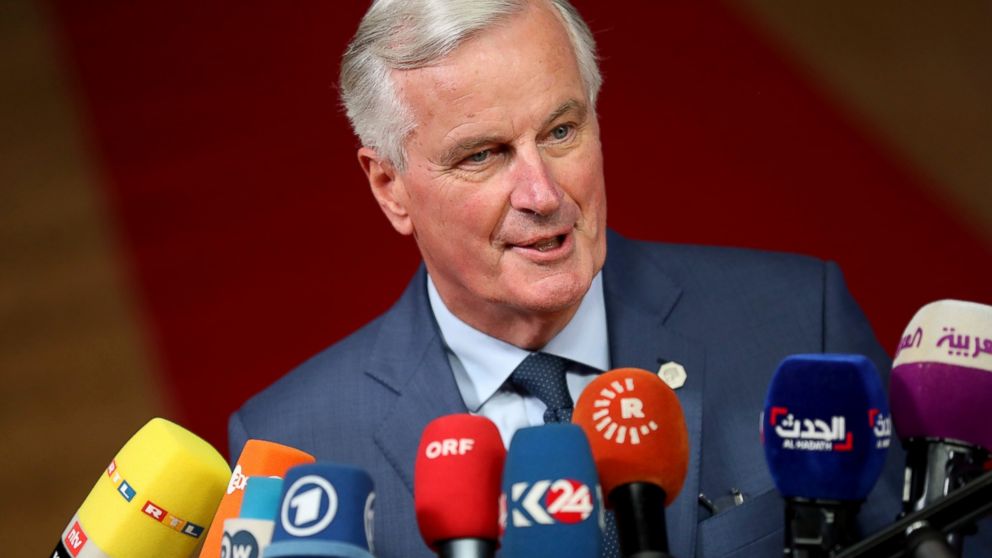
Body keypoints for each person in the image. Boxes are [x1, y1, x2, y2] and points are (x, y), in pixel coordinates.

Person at [228, 1, 936, 556]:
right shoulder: (296, 448)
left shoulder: (796, 328)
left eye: (560, 132)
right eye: (483, 155)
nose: (543, 194)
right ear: (390, 188)